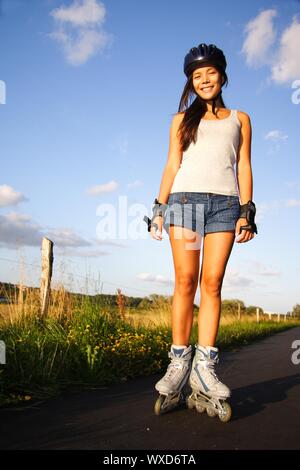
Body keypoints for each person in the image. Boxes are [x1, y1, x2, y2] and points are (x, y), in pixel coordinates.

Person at [144, 43, 258, 419]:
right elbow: (171, 164)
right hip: (186, 204)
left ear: (222, 75)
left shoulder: (240, 119)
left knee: (212, 283)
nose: (204, 79)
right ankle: (178, 363)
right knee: (185, 280)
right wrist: (159, 209)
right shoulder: (180, 121)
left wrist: (246, 211)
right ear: (191, 83)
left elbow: (243, 166)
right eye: (197, 75)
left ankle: (205, 369)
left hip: (226, 206)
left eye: (210, 72)